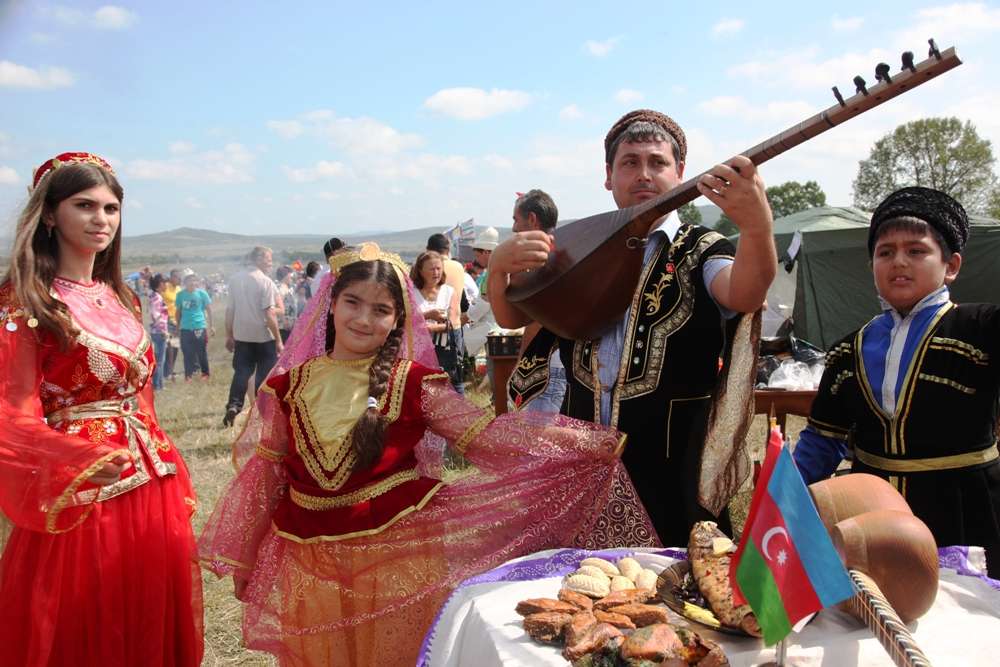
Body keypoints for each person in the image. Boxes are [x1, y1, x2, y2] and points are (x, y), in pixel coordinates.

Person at [198, 242, 656, 666]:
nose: (363, 318)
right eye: (353, 303)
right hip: (308, 561)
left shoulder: (413, 383)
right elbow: (266, 476)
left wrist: (581, 443)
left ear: (398, 320)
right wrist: (245, 551)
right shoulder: (286, 389)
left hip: (398, 555)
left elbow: (486, 437)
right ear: (330, 304)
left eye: (381, 310)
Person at [489, 109, 776, 546]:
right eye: (630, 162)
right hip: (584, 466)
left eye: (657, 163)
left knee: (674, 599)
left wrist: (757, 226)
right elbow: (516, 318)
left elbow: (745, 293)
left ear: (680, 172)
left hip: (671, 469)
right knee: (586, 594)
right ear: (608, 176)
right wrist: (497, 272)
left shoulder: (701, 248)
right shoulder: (579, 249)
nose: (644, 174)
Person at [0, 152, 203, 665]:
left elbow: (141, 399)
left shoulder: (121, 298)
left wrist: (168, 462)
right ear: (49, 215)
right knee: (85, 617)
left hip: (148, 479)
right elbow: (9, 410)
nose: (101, 220)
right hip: (85, 487)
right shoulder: (25, 300)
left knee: (144, 607)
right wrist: (71, 458)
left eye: (111, 208)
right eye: (84, 205)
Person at [792, 187, 1000, 576]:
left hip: (967, 516)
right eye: (885, 252)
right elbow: (821, 444)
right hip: (870, 524)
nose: (898, 262)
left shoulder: (984, 330)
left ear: (951, 265)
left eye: (916, 251)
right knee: (868, 619)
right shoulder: (846, 352)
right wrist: (781, 503)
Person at [499, 189, 568, 413]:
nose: (513, 228)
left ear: (532, 219)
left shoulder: (540, 258)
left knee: (538, 443)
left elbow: (537, 322)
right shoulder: (565, 251)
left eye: (515, 219)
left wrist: (521, 365)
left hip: (547, 365)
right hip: (566, 363)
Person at [223, 246, 283, 426]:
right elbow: (270, 314)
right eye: (268, 259)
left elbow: (230, 310)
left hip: (242, 336)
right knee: (263, 378)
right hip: (264, 338)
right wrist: (279, 340)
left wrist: (229, 334)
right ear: (259, 259)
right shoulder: (265, 282)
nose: (271, 263)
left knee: (241, 373)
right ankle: (260, 412)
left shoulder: (235, 280)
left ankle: (234, 405)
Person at [176, 271, 213, 381]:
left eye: (193, 279)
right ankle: (188, 375)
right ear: (185, 282)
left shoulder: (202, 294)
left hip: (199, 326)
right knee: (187, 352)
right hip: (185, 327)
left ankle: (205, 373)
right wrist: (178, 325)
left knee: (201, 351)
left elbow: (209, 310)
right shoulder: (181, 295)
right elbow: (178, 312)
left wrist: (211, 325)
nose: (192, 282)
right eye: (189, 280)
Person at [148, 272, 169, 391]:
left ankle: (159, 384)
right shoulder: (157, 297)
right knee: (160, 360)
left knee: (160, 360)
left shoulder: (154, 296)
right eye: (165, 282)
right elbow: (156, 316)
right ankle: (157, 386)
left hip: (157, 332)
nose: (166, 285)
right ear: (160, 284)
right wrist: (163, 330)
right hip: (159, 332)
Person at [163, 268, 182, 381]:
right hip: (167, 321)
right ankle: (168, 372)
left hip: (177, 321)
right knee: (169, 347)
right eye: (176, 276)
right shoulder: (165, 287)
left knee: (175, 347)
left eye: (179, 277)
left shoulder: (179, 289)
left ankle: (171, 370)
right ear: (171, 277)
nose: (178, 279)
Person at [470, 226, 498, 297]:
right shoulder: (490, 271)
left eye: (477, 256)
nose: (476, 260)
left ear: (486, 252)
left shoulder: (493, 272)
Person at [275, 265, 296, 342]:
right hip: (283, 326)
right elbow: (277, 305)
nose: (291, 276)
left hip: (288, 325)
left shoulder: (286, 287)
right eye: (290, 274)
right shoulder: (281, 288)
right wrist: (284, 321)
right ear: (285, 275)